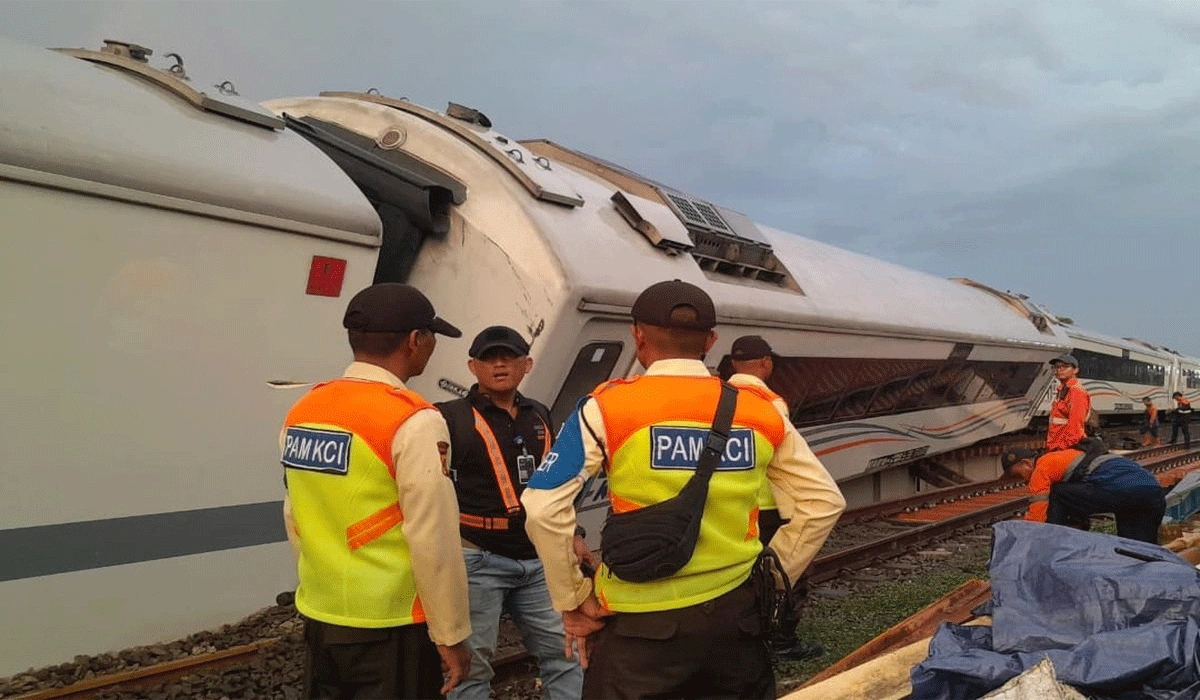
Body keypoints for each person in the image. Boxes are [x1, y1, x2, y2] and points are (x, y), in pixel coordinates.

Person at [521, 279, 846, 699]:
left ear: (637, 336)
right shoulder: (759, 410)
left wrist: (574, 598)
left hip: (641, 628)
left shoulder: (607, 407)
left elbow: (543, 508)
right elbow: (823, 502)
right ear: (711, 341)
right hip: (737, 621)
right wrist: (772, 578)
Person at [280, 283, 472, 699]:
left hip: (322, 613)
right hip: (392, 624)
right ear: (414, 341)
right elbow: (432, 537)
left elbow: (295, 515)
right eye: (432, 337)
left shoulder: (304, 410)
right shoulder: (414, 420)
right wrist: (451, 634)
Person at [435, 326, 584, 700]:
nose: (498, 364)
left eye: (509, 357)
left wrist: (575, 535)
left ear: (526, 365)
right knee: (471, 666)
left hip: (537, 559)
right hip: (478, 558)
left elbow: (555, 484)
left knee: (567, 652)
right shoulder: (447, 418)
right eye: (488, 358)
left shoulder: (539, 414)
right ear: (473, 367)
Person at [725, 334, 825, 662]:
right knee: (784, 573)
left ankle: (744, 638)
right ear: (766, 364)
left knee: (739, 573)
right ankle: (782, 641)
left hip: (736, 504)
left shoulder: (719, 398)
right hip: (770, 507)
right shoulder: (769, 403)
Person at [1001, 443, 1166, 544]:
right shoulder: (1068, 457)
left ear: (1026, 463)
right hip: (1152, 493)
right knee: (1139, 550)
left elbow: (1038, 509)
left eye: (1017, 475)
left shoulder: (1042, 466)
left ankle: (1051, 544)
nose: (1022, 481)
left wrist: (1030, 538)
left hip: (1126, 491)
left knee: (1057, 493)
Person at [1046, 354, 1091, 452]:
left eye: (1065, 366)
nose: (1060, 369)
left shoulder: (1076, 392)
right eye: (1057, 367)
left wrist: (1062, 448)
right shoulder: (1063, 390)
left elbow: (1075, 428)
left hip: (1065, 448)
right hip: (1057, 445)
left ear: (1075, 370)